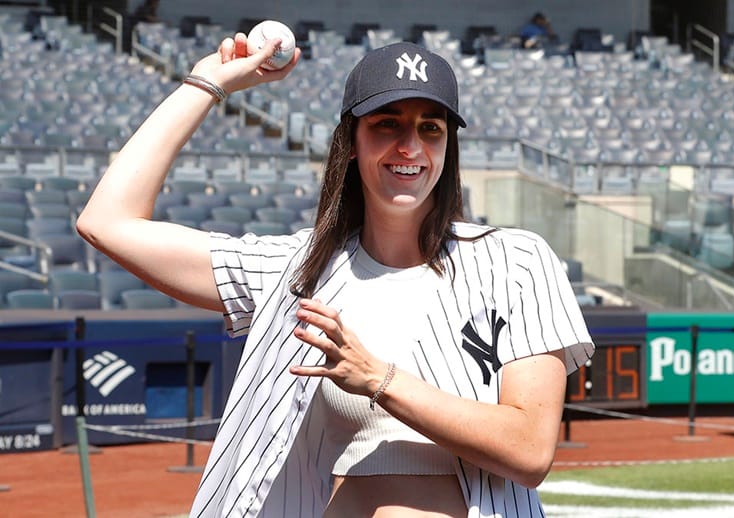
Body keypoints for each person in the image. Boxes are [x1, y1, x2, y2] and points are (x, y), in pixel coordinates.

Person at [77, 31, 595, 517]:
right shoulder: (292, 270)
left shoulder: (516, 260)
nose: (409, 147)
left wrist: (377, 379)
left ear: (445, 149)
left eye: (430, 128)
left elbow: (529, 450)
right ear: (351, 141)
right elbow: (107, 223)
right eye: (386, 123)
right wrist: (207, 82)